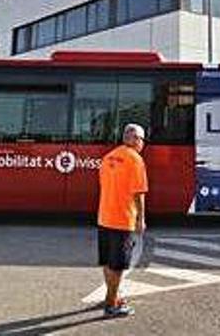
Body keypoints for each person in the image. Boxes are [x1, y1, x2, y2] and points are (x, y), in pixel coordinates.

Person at [97, 124, 148, 318]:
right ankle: (111, 305)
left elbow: (103, 185)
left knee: (108, 261)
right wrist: (141, 219)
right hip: (122, 219)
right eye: (142, 140)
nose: (143, 144)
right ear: (136, 139)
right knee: (118, 265)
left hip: (104, 216)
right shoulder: (136, 160)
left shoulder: (108, 157)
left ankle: (112, 296)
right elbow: (138, 193)